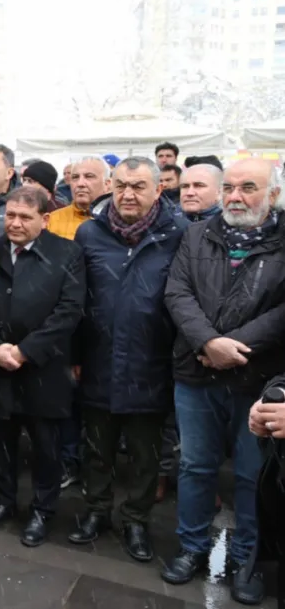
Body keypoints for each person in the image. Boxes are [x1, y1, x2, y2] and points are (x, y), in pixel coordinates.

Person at [161, 158, 285, 605]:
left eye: (248, 187)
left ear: (272, 195)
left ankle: (248, 557)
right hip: (195, 373)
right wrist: (208, 341)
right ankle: (192, 547)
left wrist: (232, 346)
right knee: (195, 466)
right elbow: (177, 292)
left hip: (257, 380)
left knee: (254, 474)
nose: (235, 196)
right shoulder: (197, 234)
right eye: (229, 187)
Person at [69, 156, 188, 563]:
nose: (128, 194)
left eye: (138, 186)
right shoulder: (90, 233)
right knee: (96, 447)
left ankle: (136, 519)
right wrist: (75, 354)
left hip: (152, 360)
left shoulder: (179, 233)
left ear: (158, 189)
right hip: (98, 358)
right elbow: (76, 298)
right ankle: (96, 510)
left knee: (145, 453)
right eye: (120, 185)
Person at [0, 186, 85, 547]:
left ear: (45, 219)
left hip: (44, 367)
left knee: (45, 446)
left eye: (25, 217)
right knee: (1, 441)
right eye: (11, 215)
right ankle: (3, 501)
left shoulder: (67, 252)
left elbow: (69, 311)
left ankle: (42, 510)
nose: (15, 223)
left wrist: (24, 351)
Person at [47, 156, 111, 241]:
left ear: (107, 184)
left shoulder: (118, 221)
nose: (80, 183)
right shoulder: (52, 220)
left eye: (89, 176)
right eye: (75, 177)